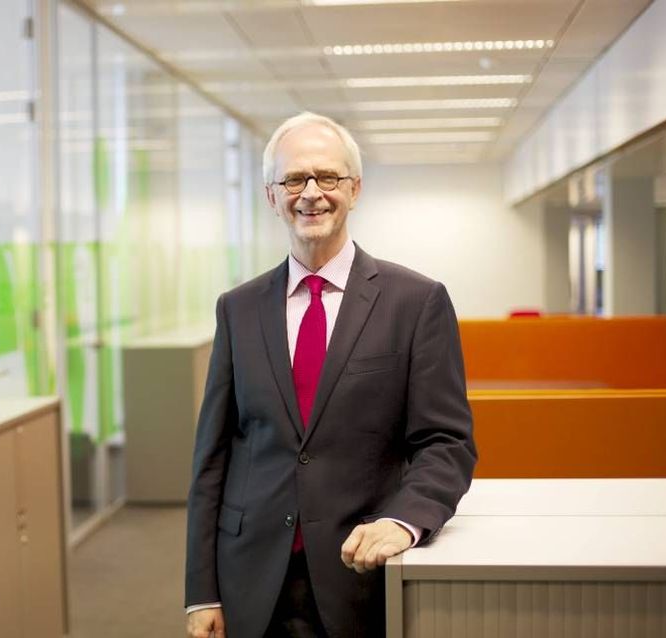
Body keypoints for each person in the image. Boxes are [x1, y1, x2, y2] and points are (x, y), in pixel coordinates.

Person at [184, 112, 477, 638]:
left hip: (359, 574)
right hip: (251, 577)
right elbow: (214, 456)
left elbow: (446, 442)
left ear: (355, 189)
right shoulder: (238, 308)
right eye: (294, 179)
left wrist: (405, 520)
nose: (311, 193)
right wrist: (201, 590)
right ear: (271, 195)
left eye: (328, 177)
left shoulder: (416, 302)